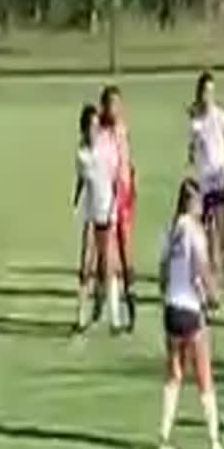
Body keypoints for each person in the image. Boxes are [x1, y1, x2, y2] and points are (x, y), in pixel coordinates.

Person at [158, 178, 223, 449]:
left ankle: (163, 437)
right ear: (192, 203)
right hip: (190, 310)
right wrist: (215, 296)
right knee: (204, 376)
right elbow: (201, 268)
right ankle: (214, 441)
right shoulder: (194, 232)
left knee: (174, 376)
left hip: (171, 309)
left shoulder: (170, 230)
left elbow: (163, 273)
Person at [187, 71, 224, 290]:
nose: (208, 96)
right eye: (204, 91)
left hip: (220, 179)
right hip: (205, 183)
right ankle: (212, 279)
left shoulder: (222, 116)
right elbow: (193, 150)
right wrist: (192, 153)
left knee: (222, 232)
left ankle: (223, 265)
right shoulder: (196, 122)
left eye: (211, 91)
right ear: (199, 93)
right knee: (208, 233)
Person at [73, 102, 120, 334]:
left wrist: (116, 205)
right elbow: (82, 179)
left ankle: (115, 318)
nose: (93, 131)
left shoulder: (108, 147)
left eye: (95, 126)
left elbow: (115, 177)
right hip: (91, 215)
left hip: (107, 212)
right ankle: (80, 316)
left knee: (108, 265)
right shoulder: (81, 154)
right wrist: (76, 199)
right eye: (89, 127)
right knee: (85, 265)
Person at [99, 84, 137, 331]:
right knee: (109, 255)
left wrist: (130, 183)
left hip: (124, 196)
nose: (115, 109)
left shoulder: (123, 130)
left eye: (118, 104)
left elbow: (127, 161)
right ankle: (112, 309)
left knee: (126, 252)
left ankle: (131, 302)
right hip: (107, 197)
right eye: (111, 104)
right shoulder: (100, 133)